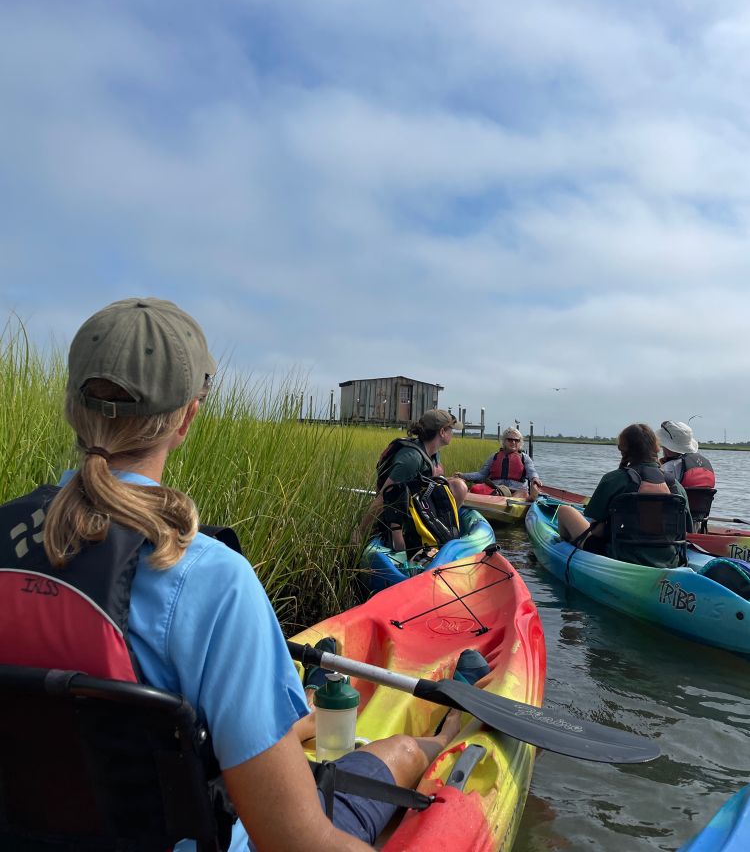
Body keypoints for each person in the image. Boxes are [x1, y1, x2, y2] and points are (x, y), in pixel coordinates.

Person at [0, 298, 461, 852]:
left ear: (72, 406)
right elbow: (294, 841)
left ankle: (304, 721)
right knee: (403, 754)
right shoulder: (210, 578)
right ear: (187, 419)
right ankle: (447, 744)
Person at [555, 422, 692, 567]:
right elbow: (685, 532)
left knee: (565, 511)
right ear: (656, 448)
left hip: (618, 557)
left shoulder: (614, 479)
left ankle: (564, 552)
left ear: (624, 449)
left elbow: (597, 532)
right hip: (669, 560)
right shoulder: (676, 487)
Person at [354, 409, 459, 552]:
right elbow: (383, 498)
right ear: (442, 432)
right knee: (458, 487)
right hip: (397, 517)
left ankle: (445, 531)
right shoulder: (411, 459)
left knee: (458, 486)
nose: (453, 433)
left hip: (417, 505)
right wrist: (360, 533)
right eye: (451, 429)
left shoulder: (433, 453)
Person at [455, 427, 542, 500]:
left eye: (516, 440)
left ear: (520, 443)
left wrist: (535, 479)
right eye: (510, 440)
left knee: (522, 494)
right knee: (475, 488)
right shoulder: (494, 457)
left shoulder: (524, 458)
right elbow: (481, 474)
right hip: (497, 489)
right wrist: (463, 476)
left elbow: (532, 471)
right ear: (504, 441)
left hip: (517, 490)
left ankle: (518, 502)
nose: (513, 442)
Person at [656, 420, 715, 489]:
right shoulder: (705, 463)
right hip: (703, 499)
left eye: (663, 447)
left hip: (678, 499)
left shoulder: (668, 467)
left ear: (668, 449)